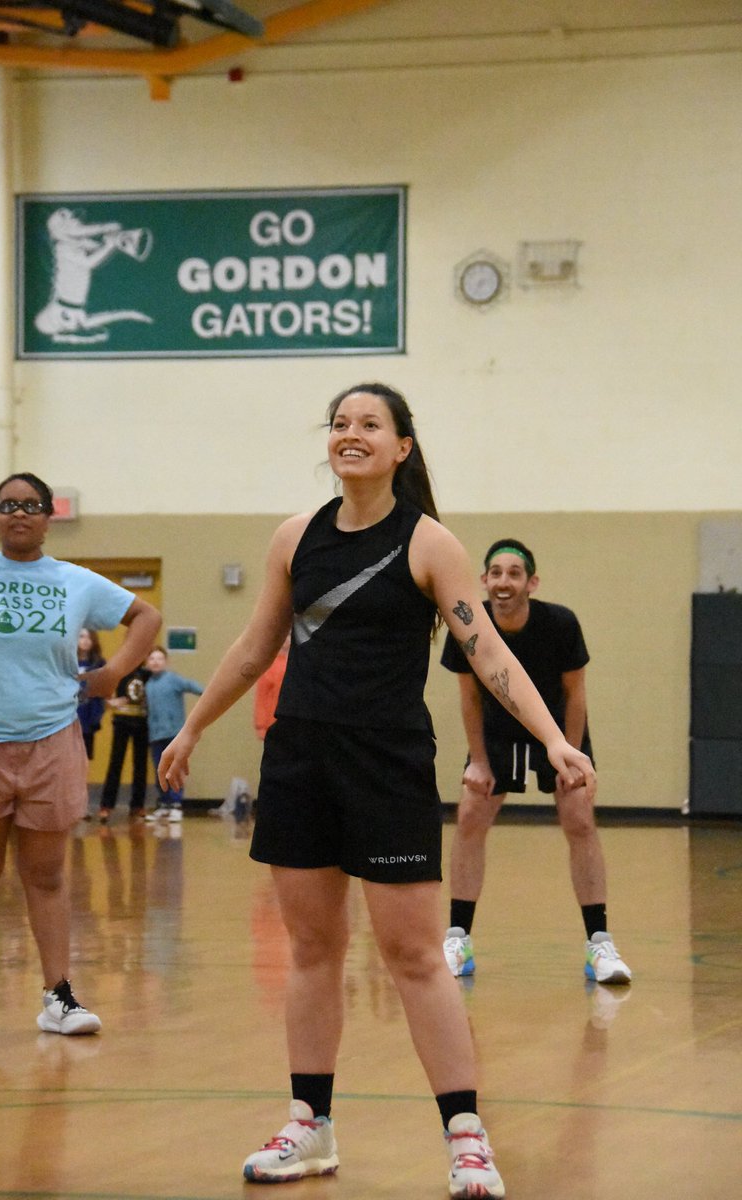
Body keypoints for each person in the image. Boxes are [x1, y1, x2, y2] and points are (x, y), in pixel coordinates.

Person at [158, 383, 596, 1199]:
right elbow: (255, 649)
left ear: (401, 447)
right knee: (314, 949)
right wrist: (190, 729)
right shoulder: (296, 538)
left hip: (386, 766)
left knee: (414, 956)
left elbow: (490, 653)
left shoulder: (429, 544)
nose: (350, 434)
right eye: (340, 424)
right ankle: (310, 1125)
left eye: (370, 425)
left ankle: (467, 1137)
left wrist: (553, 738)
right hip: (299, 761)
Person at [0, 472, 161, 1038]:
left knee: (46, 875)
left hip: (51, 741)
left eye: (31, 505)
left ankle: (58, 996)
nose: (20, 514)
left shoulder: (75, 582)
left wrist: (112, 673)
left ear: (47, 517)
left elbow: (146, 618)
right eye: (9, 505)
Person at [440, 538, 631, 987]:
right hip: (496, 732)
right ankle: (458, 939)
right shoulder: (469, 624)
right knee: (470, 815)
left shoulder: (560, 624)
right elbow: (468, 698)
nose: (504, 581)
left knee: (580, 819)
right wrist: (479, 762)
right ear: (484, 581)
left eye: (514, 573)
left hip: (558, 731)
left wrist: (570, 756)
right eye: (496, 573)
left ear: (532, 582)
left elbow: (575, 694)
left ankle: (599, 945)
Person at [143, 645, 203, 823]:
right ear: (147, 663)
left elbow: (195, 687)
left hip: (174, 735)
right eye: (152, 659)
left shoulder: (174, 680)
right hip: (155, 735)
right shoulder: (148, 684)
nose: (155, 662)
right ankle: (164, 804)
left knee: (175, 769)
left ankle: (176, 804)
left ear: (166, 662)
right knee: (159, 770)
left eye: (159, 658)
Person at [98, 663, 151, 823]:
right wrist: (108, 702)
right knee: (116, 763)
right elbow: (101, 688)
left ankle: (138, 805)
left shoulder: (147, 672)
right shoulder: (120, 669)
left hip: (142, 722)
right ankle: (106, 805)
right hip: (121, 722)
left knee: (141, 765)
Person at [253, 634, 290, 739]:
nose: (286, 640)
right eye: (285, 636)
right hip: (272, 722)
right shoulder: (270, 665)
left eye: (289, 636)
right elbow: (262, 695)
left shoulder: (295, 663)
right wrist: (260, 724)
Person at [76, 628, 106, 759]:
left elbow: (102, 692)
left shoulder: (98, 664)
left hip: (88, 715)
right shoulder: (66, 661)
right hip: (67, 715)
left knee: (84, 756)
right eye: (82, 636)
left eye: (89, 637)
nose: (85, 641)